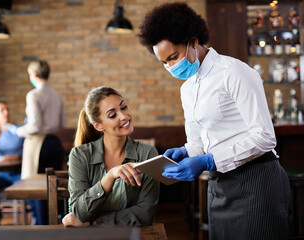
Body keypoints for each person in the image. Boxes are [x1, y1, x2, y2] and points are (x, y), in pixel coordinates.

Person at [138, 2, 290, 240]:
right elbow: (199, 141)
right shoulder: (187, 89)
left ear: (194, 41)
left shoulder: (235, 72)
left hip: (256, 181)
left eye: (174, 57)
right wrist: (186, 151)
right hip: (220, 184)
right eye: (164, 62)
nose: (170, 67)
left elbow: (264, 137)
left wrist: (209, 160)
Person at [62, 86, 159, 227]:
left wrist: (94, 222)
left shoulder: (147, 154)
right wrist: (110, 176)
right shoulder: (79, 155)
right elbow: (79, 212)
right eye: (113, 115)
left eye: (124, 107)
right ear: (98, 126)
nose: (124, 116)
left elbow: (145, 214)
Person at [16, 59, 66, 225]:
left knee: (36, 186)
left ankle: (41, 226)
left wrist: (19, 131)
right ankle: (53, 224)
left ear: (34, 75)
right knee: (53, 187)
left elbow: (35, 125)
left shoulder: (33, 94)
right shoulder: (57, 95)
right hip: (55, 142)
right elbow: (62, 124)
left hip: (39, 144)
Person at [0, 101, 24, 190]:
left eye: (7, 109)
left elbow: (31, 153)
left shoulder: (19, 131)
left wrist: (16, 157)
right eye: (2, 110)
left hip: (19, 173)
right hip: (0, 174)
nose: (6, 112)